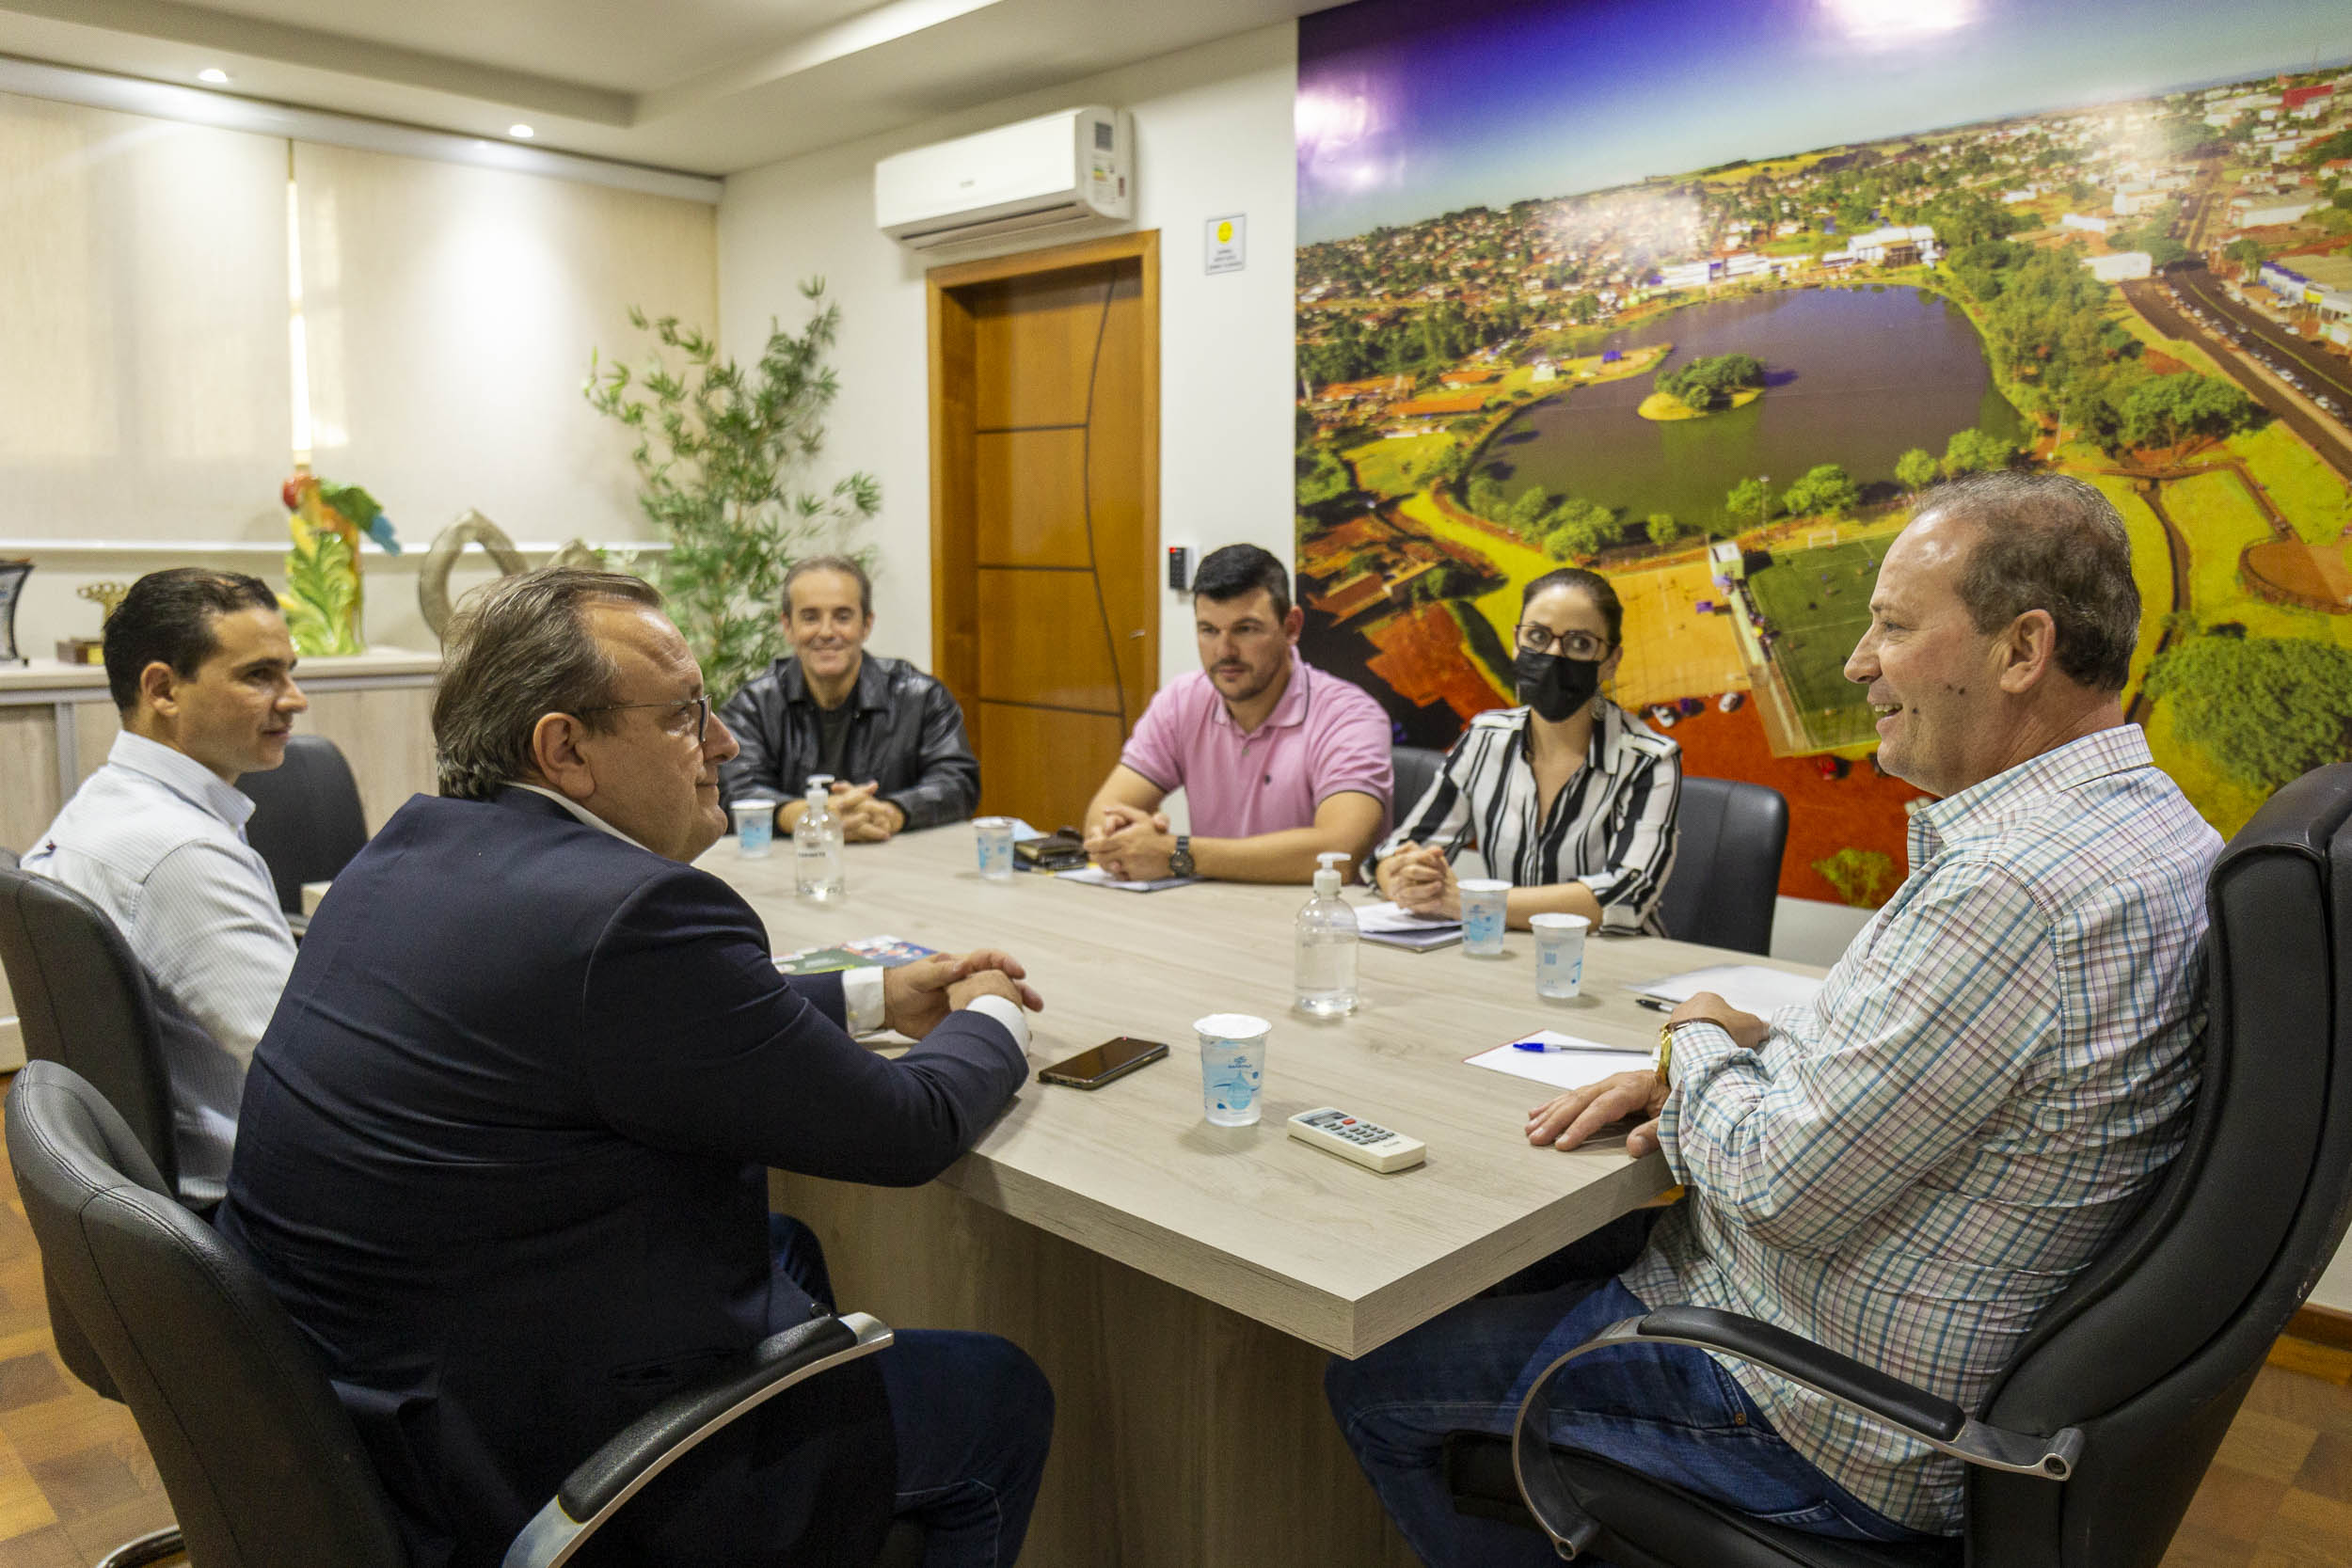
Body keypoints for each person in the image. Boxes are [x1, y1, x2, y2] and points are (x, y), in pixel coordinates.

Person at [1326, 471, 2222, 1561]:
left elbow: (1772, 1179)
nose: (1855, 660)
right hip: (1936, 1364)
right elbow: (1938, 1077)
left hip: (1812, 1406)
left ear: (2021, 649)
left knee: (1369, 1377)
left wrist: (1697, 1035)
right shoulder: (2151, 828)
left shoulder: (2011, 891)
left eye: (1890, 626)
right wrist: (1751, 1056)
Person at [217, 568, 1053, 1568]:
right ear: (565, 748)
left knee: (786, 1253)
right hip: (530, 1473)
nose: (726, 744)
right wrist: (991, 1012)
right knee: (995, 1391)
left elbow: (636, 1018)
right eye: (685, 716)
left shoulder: (405, 851)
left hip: (354, 1432)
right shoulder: (638, 916)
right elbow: (902, 1127)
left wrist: (876, 993)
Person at [22, 567, 306, 1206]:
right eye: (260, 675)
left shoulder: (101, 806)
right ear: (163, 688)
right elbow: (316, 1075)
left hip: (154, 1208)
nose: (294, 698)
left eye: (290, 670)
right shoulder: (183, 855)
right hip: (247, 1212)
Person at [1370, 567, 1680, 933]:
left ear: (1611, 661)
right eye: (1537, 636)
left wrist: (1467, 902)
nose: (1553, 654)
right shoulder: (1485, 738)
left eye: (1579, 644)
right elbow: (1399, 852)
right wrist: (1406, 879)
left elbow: (1623, 897)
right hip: (1504, 954)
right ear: (1517, 644)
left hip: (1611, 966)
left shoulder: (1649, 759)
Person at [1081, 543, 1391, 882]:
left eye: (1245, 629)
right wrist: (1120, 836)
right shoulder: (1182, 701)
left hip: (1314, 924)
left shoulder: (1349, 716)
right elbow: (1101, 815)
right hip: (1207, 913)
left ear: (1291, 627)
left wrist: (1177, 854)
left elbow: (1339, 853)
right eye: (1208, 630)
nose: (1224, 651)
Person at [719, 554, 978, 842]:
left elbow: (958, 782)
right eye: (810, 617)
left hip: (899, 865)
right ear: (788, 626)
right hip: (790, 869)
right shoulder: (753, 705)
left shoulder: (923, 697)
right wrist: (810, 816)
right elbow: (732, 789)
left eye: (843, 617)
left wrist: (891, 812)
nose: (827, 632)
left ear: (866, 625)